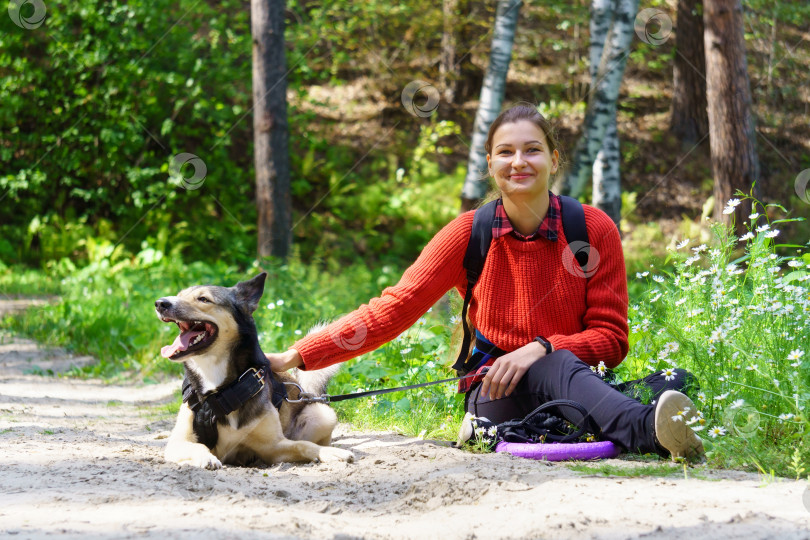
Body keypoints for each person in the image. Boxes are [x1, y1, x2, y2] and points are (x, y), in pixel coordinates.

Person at [266, 104, 704, 461]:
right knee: (631, 388)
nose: (519, 162)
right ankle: (646, 430)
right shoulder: (468, 234)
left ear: (553, 160)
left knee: (674, 378)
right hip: (494, 389)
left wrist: (540, 347)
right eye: (506, 152)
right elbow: (393, 308)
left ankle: (577, 425)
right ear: (490, 162)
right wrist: (297, 356)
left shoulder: (593, 229)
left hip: (569, 379)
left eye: (532, 150)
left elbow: (611, 339)